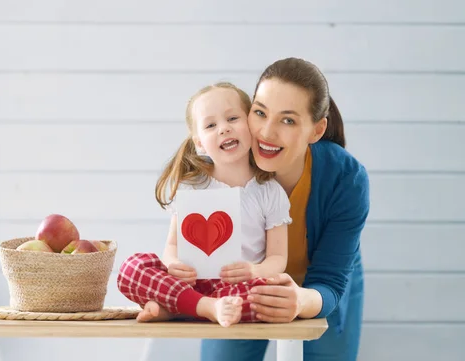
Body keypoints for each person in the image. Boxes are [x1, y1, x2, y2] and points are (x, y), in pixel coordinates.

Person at [200, 58, 370, 361]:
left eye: (288, 120)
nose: (266, 132)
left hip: (323, 286)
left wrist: (300, 300)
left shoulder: (346, 178)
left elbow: (330, 281)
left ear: (316, 130)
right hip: (242, 288)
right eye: (260, 112)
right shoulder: (225, 161)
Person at [116, 82, 292, 328]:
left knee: (272, 295)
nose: (224, 129)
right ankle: (206, 307)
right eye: (211, 125)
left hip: (240, 286)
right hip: (191, 283)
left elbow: (277, 258)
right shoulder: (191, 187)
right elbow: (172, 245)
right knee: (133, 267)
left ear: (251, 126)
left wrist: (254, 272)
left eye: (232, 118)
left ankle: (179, 309)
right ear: (199, 143)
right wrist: (173, 265)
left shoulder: (270, 192)